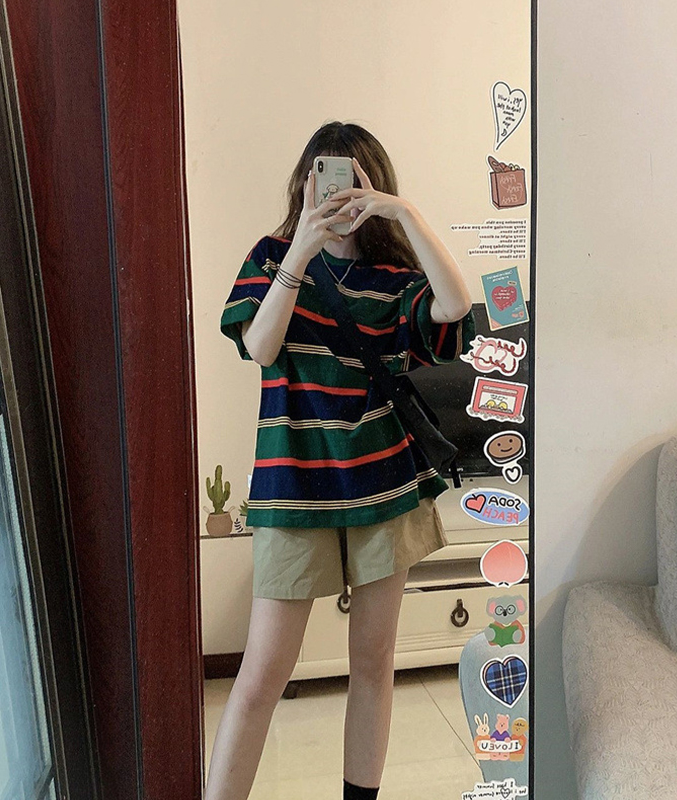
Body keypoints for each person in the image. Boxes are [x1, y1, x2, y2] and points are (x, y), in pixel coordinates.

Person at [209, 121, 476, 800]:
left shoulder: (395, 278)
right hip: (293, 487)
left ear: (374, 186)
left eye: (356, 181)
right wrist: (301, 249)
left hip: (384, 483)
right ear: (304, 184)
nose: (338, 193)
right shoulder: (272, 257)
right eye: (325, 178)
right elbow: (262, 346)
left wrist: (404, 213)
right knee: (263, 673)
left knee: (373, 664)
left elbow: (455, 307)